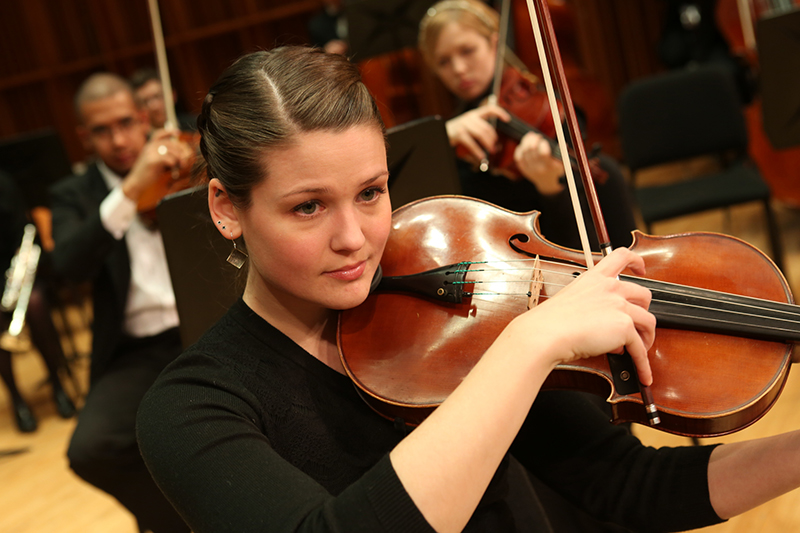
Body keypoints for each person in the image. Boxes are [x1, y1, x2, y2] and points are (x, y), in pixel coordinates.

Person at [135, 45, 800, 533]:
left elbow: (633, 486)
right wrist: (528, 345)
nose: (354, 237)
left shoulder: (451, 313)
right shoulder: (192, 406)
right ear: (226, 208)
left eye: (370, 193)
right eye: (308, 206)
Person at [49, 72, 192, 532]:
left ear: (145, 117)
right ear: (83, 137)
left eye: (127, 123)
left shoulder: (187, 159)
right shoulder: (74, 195)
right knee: (89, 450)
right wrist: (129, 191)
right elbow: (66, 267)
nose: (119, 139)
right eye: (102, 130)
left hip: (210, 326)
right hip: (138, 351)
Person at [417, 0, 637, 251]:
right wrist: (444, 135)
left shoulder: (540, 103)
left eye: (467, 51)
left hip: (569, 240)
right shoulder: (453, 137)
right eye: (443, 62)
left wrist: (549, 185)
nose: (458, 69)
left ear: (494, 43)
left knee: (605, 173)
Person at [0, 170, 76, 433]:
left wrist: (16, 279)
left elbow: (24, 234)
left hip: (15, 267)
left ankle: (57, 384)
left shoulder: (3, 183)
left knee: (35, 303)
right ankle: (17, 398)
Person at [129, 67, 197, 132]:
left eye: (157, 96)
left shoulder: (197, 126)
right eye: (145, 101)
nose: (154, 106)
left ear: (173, 95)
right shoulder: (141, 140)